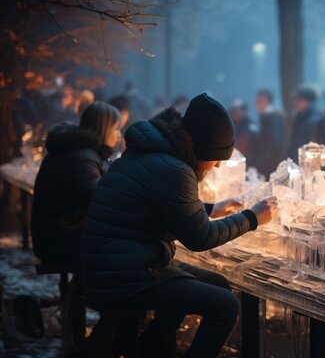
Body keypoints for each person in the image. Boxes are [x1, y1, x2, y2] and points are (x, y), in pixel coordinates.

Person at [81, 93, 278, 357]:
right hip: (123, 274)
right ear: (202, 149)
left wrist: (210, 208)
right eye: (218, 157)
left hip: (116, 263)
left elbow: (159, 204)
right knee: (226, 305)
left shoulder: (154, 155)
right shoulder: (174, 170)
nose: (219, 165)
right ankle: (151, 346)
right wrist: (252, 218)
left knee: (218, 284)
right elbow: (200, 239)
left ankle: (149, 348)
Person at [32, 102, 121, 267]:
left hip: (58, 237)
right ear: (104, 128)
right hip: (61, 242)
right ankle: (88, 292)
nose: (119, 135)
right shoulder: (81, 158)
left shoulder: (82, 153)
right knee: (129, 248)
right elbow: (98, 205)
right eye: (116, 128)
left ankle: (83, 290)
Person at [253, 88, 286, 176]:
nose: (257, 103)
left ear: (268, 101)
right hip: (267, 163)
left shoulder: (272, 118)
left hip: (270, 165)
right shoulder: (266, 117)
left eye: (260, 100)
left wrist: (261, 162)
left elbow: (275, 144)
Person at [286, 84, 323, 160]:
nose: (295, 103)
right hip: (297, 163)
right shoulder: (299, 117)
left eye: (298, 100)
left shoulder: (317, 119)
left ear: (308, 101)